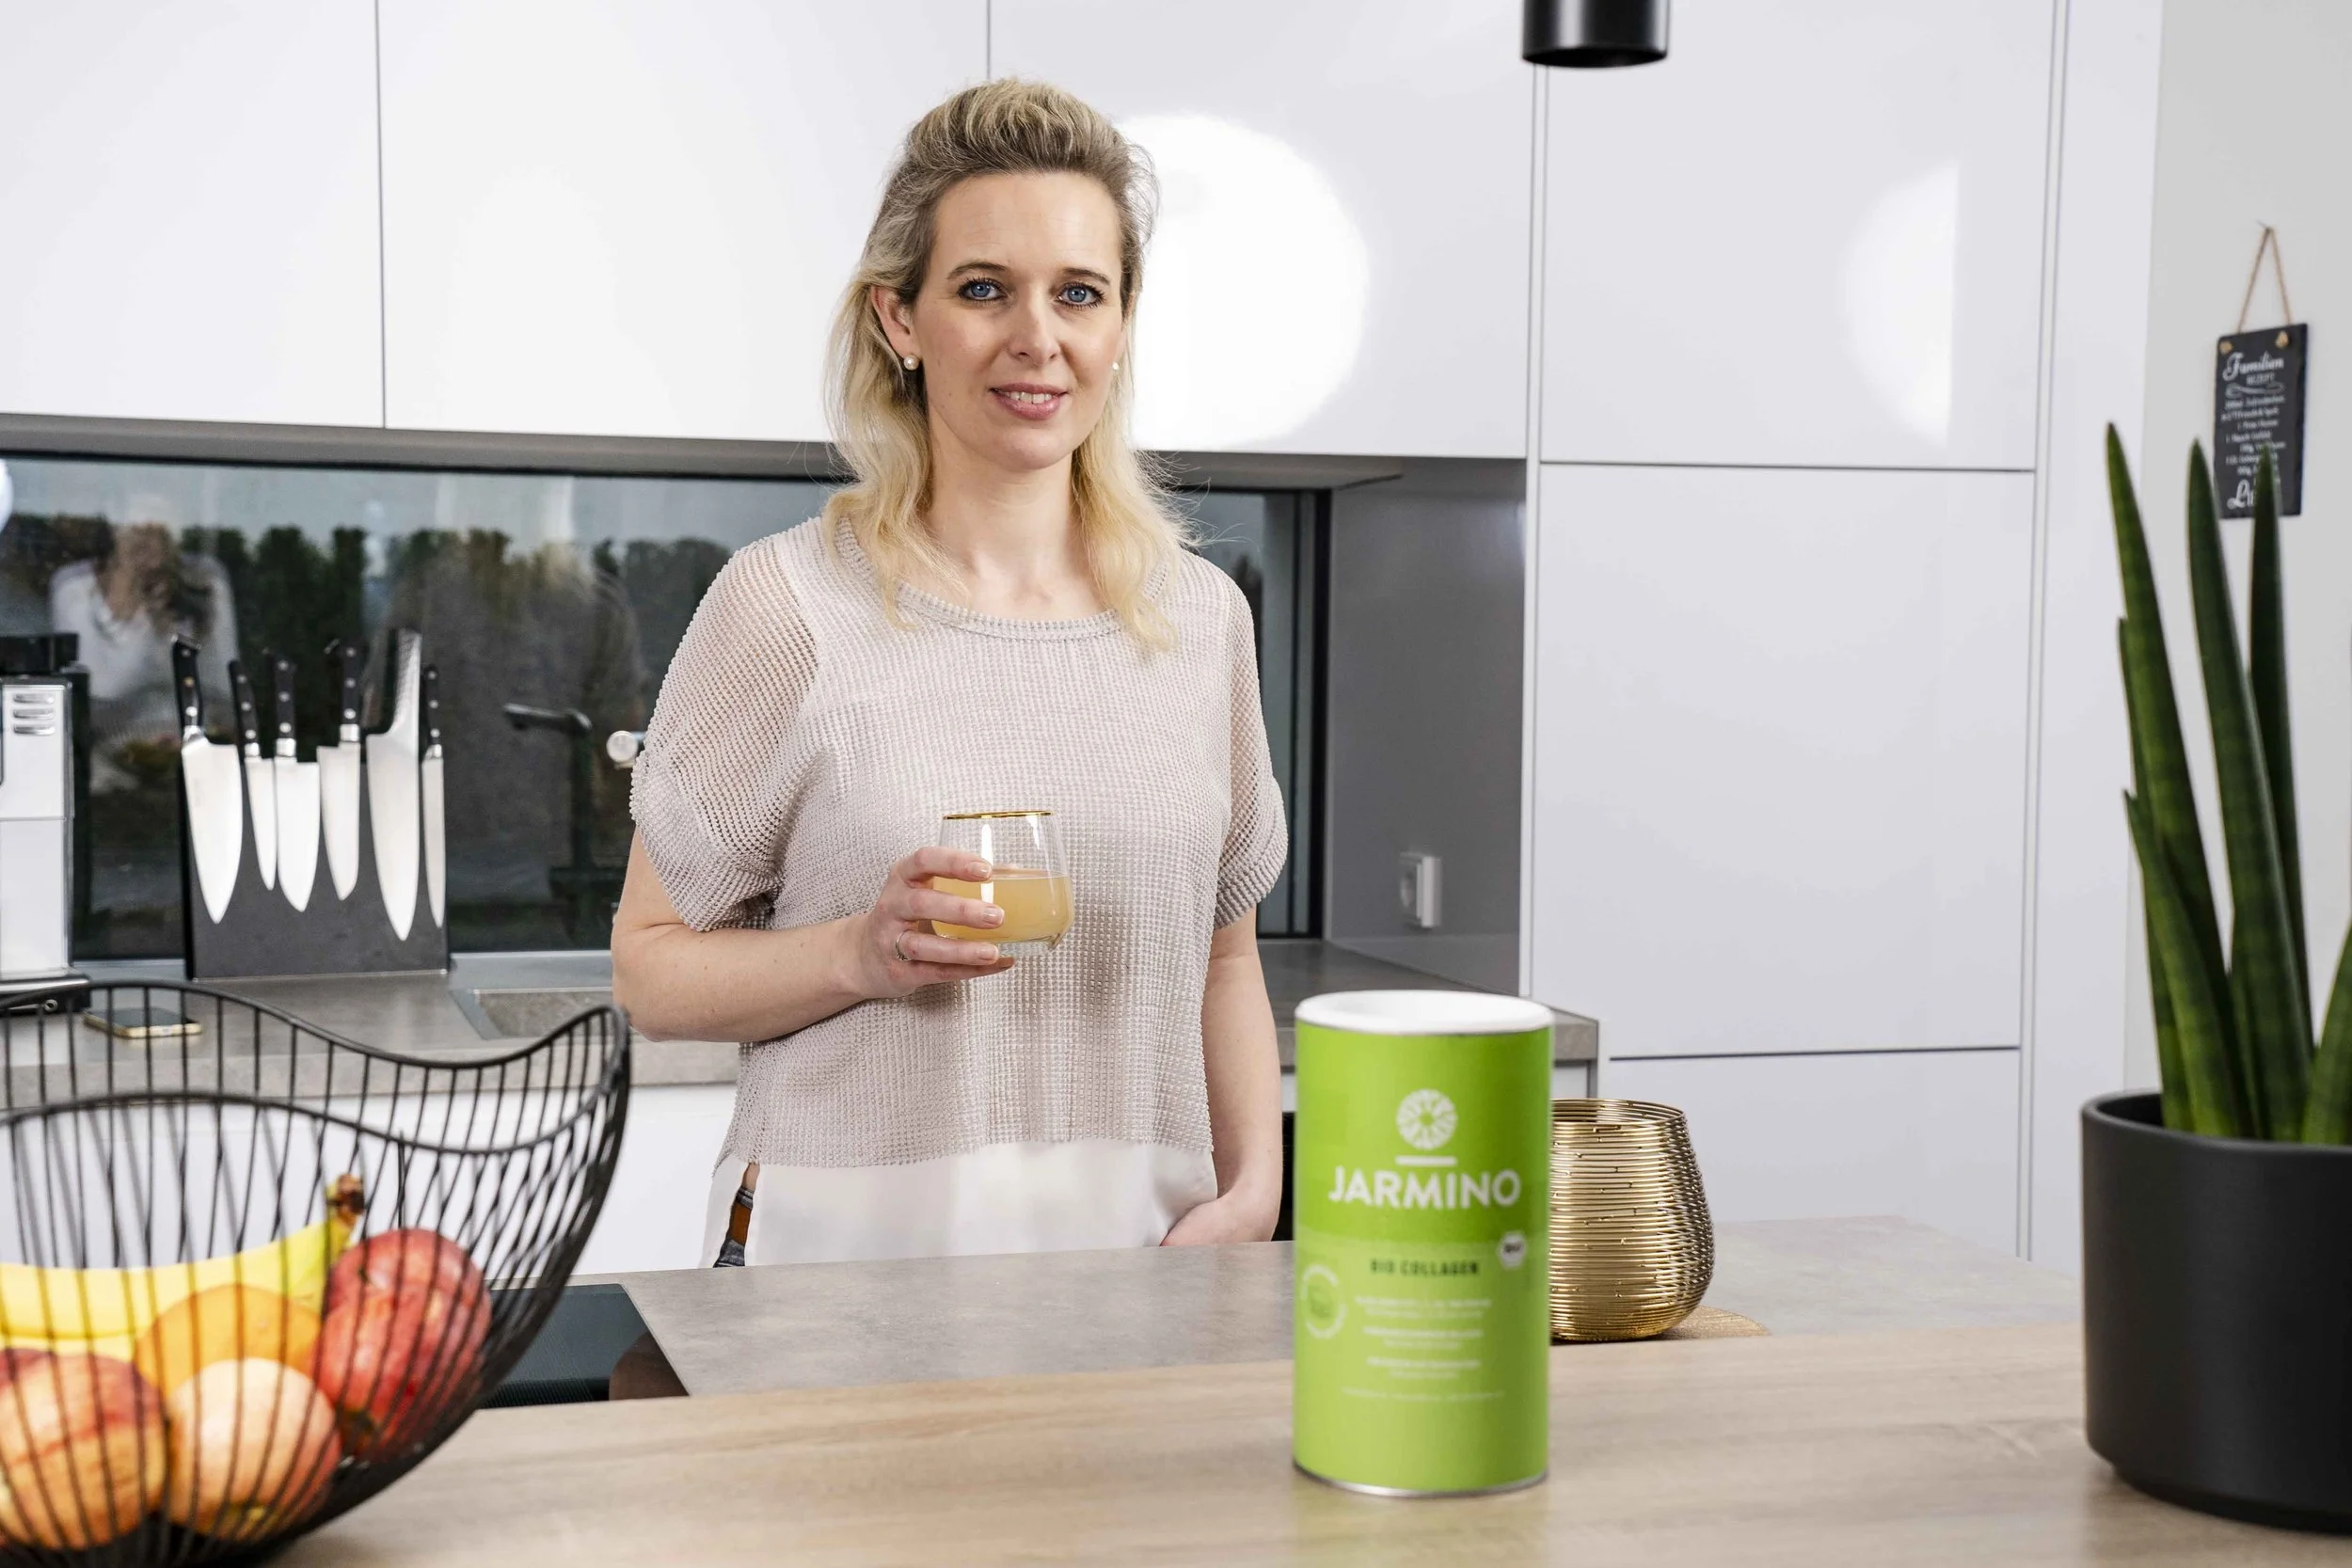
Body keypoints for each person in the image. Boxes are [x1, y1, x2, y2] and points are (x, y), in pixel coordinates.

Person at [610, 80, 1287, 1266]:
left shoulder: (1199, 621)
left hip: (1141, 1268)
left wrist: (1253, 1190)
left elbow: (1225, 957)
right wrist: (854, 951)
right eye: (982, 289)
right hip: (839, 1269)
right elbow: (650, 970)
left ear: (1121, 324)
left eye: (1078, 292)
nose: (1037, 337)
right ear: (900, 321)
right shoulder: (785, 607)